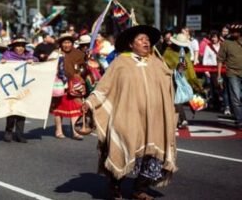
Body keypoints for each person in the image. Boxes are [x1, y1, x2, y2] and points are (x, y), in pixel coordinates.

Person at [82, 25, 177, 200]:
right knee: (121, 149)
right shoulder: (120, 63)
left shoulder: (157, 63)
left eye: (147, 40)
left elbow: (169, 83)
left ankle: (139, 189)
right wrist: (90, 102)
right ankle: (115, 188)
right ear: (131, 44)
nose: (146, 42)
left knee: (153, 156)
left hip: (154, 119)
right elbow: (104, 87)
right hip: (127, 116)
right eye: (141, 39)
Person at [1, 37, 38, 143]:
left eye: (22, 46)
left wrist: (33, 61)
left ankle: (19, 134)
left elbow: (37, 61)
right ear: (13, 47)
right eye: (18, 45)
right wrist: (2, 63)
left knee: (22, 111)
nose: (20, 48)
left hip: (24, 87)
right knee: (12, 110)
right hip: (11, 87)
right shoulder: (7, 55)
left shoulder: (28, 55)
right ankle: (8, 131)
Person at [163, 33, 203, 128]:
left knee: (179, 98)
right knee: (177, 98)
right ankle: (182, 119)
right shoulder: (170, 52)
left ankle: (183, 118)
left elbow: (188, 64)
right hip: (174, 77)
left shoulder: (186, 51)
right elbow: (166, 64)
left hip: (184, 77)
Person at [52, 33, 85, 140]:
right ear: (61, 44)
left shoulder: (78, 54)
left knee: (76, 107)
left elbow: (83, 68)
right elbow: (48, 66)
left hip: (74, 84)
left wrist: (79, 75)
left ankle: (75, 131)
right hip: (59, 84)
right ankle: (58, 130)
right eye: (65, 42)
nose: (67, 45)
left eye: (69, 42)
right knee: (58, 107)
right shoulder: (55, 54)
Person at [217, 23, 242, 129]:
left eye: (236, 31)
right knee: (236, 97)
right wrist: (219, 76)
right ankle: (240, 119)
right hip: (232, 73)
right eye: (232, 31)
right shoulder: (226, 43)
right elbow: (220, 59)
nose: (234, 33)